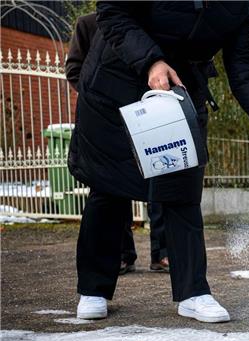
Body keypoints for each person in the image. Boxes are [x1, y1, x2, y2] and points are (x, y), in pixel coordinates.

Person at [68, 1, 249, 322]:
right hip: (115, 79)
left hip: (181, 85)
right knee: (110, 187)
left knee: (182, 186)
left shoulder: (246, 5)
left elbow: (246, 68)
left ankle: (193, 292)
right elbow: (112, 12)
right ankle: (93, 288)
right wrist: (152, 61)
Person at [65, 13, 170, 277]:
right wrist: (97, 96)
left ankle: (163, 253)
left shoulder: (150, 21)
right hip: (107, 117)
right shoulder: (89, 24)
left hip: (148, 114)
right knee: (111, 187)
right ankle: (122, 254)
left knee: (158, 178)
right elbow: (74, 69)